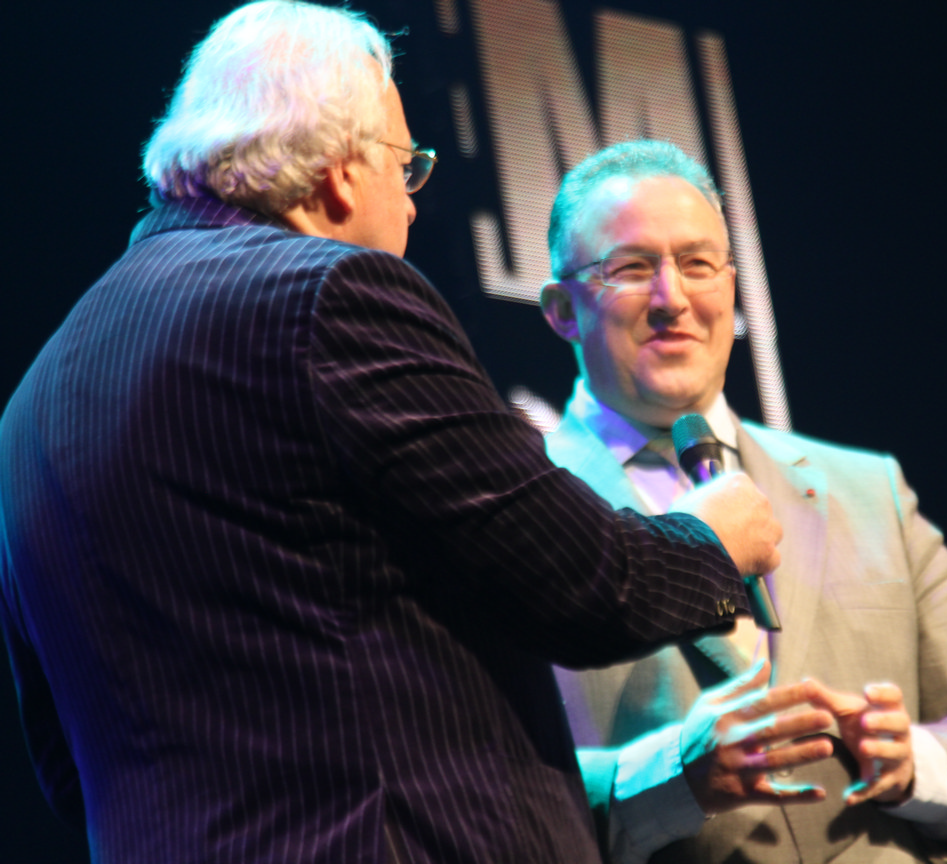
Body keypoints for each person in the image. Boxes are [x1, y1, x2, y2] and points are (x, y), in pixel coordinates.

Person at [0, 7, 788, 863]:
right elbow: (591, 584)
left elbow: (63, 769)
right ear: (342, 176)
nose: (411, 208)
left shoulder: (31, 409)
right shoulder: (332, 295)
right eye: (405, 168)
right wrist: (713, 540)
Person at [538, 141, 947, 863]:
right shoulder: (514, 512)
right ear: (562, 310)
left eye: (698, 264)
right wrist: (674, 779)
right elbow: (475, 787)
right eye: (631, 269)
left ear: (732, 285)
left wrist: (918, 762)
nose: (672, 299)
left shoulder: (869, 490)